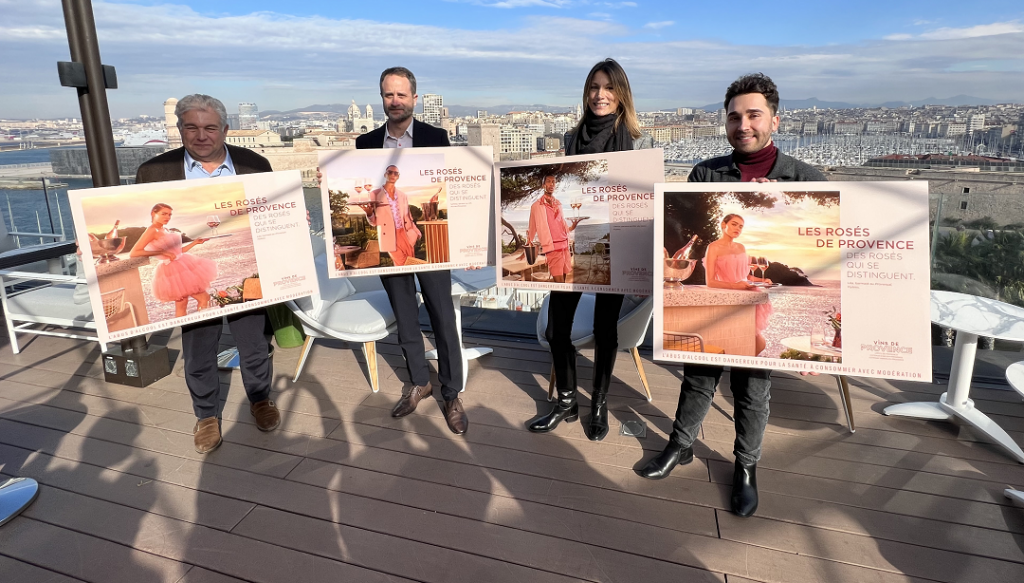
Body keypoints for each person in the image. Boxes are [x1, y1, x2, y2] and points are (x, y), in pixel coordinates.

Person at [637, 73, 826, 519]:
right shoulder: (706, 174)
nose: (743, 124)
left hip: (748, 306)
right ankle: (679, 446)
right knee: (699, 376)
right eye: (734, 116)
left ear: (775, 121)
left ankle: (746, 467)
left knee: (753, 389)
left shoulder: (804, 177)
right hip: (714, 304)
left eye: (753, 115)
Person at [135, 94, 280, 454]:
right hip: (184, 271)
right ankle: (206, 415)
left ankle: (260, 399)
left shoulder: (255, 164)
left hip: (243, 265)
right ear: (180, 129)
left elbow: (272, 212)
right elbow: (140, 230)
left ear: (225, 130)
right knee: (198, 345)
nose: (202, 135)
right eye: (192, 127)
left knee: (254, 343)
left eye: (210, 127)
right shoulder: (153, 172)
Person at [527, 58, 646, 441]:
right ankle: (565, 401)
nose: (600, 95)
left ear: (621, 94)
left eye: (609, 88)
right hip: (570, 248)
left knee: (605, 329)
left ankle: (598, 403)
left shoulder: (632, 145)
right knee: (557, 328)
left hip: (614, 246)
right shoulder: (571, 140)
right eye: (595, 87)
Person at [354, 67, 467, 435]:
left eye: (402, 95)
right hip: (389, 244)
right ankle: (420, 381)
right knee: (404, 316)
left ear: (415, 99)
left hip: (418, 241)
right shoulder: (365, 144)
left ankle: (451, 392)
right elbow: (365, 202)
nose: (395, 101)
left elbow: (453, 184)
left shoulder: (437, 137)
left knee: (442, 317)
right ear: (381, 98)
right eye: (389, 95)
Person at [703, 213, 773, 355]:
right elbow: (710, 282)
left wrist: (762, 280)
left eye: (741, 227)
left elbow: (745, 276)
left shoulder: (741, 247)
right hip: (728, 298)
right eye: (734, 224)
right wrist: (736, 286)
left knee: (758, 342)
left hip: (748, 297)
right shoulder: (713, 247)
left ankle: (739, 366)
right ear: (724, 225)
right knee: (748, 340)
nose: (738, 229)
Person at [129, 203, 217, 317]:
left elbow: (177, 252)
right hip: (174, 271)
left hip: (182, 265)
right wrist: (161, 252)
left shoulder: (164, 229)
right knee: (204, 298)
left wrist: (195, 242)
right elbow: (134, 253)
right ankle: (204, 326)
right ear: (153, 213)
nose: (167, 217)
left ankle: (187, 330)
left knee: (182, 304)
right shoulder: (152, 230)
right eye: (164, 214)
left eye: (170, 215)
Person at [357, 165, 422, 267]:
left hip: (406, 234)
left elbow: (408, 217)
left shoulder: (402, 195)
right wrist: (369, 214)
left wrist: (416, 232)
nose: (393, 175)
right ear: (385, 175)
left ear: (398, 176)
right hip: (388, 235)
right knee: (402, 264)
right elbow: (374, 222)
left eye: (395, 173)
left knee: (410, 263)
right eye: (390, 172)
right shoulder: (375, 194)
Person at [525, 174, 577, 283]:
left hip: (564, 245)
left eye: (553, 182)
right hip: (552, 247)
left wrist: (572, 227)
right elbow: (532, 226)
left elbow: (561, 223)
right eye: (548, 181)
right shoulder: (536, 206)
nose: (551, 184)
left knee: (563, 281)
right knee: (559, 283)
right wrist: (528, 243)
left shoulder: (558, 203)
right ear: (543, 185)